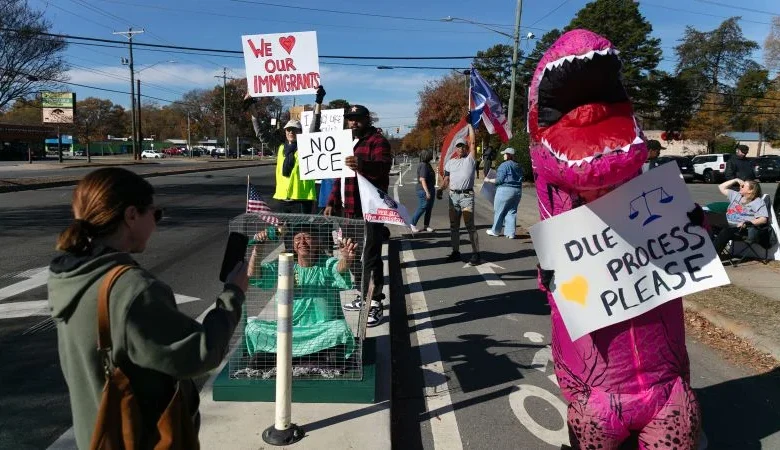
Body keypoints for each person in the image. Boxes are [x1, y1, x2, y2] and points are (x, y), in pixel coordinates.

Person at [48, 167, 248, 449]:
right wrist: (233, 294)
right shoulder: (132, 290)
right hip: (139, 438)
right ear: (131, 216)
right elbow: (200, 354)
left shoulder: (69, 275)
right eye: (155, 214)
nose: (156, 223)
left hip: (96, 436)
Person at [245, 225, 358, 363]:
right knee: (252, 327)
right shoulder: (285, 264)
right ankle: (314, 355)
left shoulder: (326, 263)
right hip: (287, 330)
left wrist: (346, 259)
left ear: (317, 242)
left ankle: (281, 355)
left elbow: (339, 268)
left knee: (341, 328)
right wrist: (258, 248)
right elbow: (254, 276)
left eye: (308, 238)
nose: (302, 242)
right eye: (298, 238)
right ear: (293, 244)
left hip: (319, 331)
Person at [324, 105, 392, 327]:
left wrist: (362, 164)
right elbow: (339, 177)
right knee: (351, 254)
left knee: (370, 256)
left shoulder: (377, 141)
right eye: (350, 119)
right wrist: (332, 201)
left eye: (357, 119)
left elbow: (383, 167)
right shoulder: (346, 142)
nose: (353, 123)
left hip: (369, 209)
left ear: (367, 119)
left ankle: (375, 302)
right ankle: (363, 295)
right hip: (348, 210)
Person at [245, 86, 326, 214]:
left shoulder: (307, 146)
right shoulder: (280, 148)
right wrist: (252, 110)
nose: (291, 132)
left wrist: (318, 101)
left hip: (302, 200)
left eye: (294, 129)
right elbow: (261, 133)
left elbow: (315, 125)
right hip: (283, 200)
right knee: (285, 233)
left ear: (300, 132)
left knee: (301, 234)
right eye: (288, 129)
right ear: (285, 132)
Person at [438, 131, 482, 266]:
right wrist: (441, 188)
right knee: (454, 226)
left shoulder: (470, 160)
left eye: (463, 146)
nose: (461, 148)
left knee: (470, 226)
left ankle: (476, 254)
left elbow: (473, 143)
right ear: (455, 149)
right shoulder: (450, 163)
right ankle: (456, 252)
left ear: (466, 148)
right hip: (453, 196)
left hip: (466, 196)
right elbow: (446, 179)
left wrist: (470, 125)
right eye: (458, 146)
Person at [713, 178, 768, 255]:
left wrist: (747, 222)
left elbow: (763, 219)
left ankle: (713, 257)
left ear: (750, 190)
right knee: (706, 225)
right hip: (726, 222)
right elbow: (721, 187)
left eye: (743, 186)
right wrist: (735, 180)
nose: (740, 187)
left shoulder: (758, 202)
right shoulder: (736, 195)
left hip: (742, 229)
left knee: (726, 231)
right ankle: (705, 253)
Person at [484, 148, 523, 239]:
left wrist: (488, 180)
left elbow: (499, 180)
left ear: (508, 155)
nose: (503, 155)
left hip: (505, 190)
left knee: (499, 210)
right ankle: (510, 233)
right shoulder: (518, 165)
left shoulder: (504, 165)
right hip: (517, 191)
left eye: (505, 154)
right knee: (512, 211)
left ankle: (495, 231)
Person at [410, 149, 436, 233]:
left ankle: (426, 225)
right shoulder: (423, 165)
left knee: (429, 208)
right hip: (423, 189)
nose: (431, 156)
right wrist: (427, 192)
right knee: (423, 206)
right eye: (429, 154)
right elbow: (422, 179)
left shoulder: (427, 164)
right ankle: (412, 223)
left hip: (431, 188)